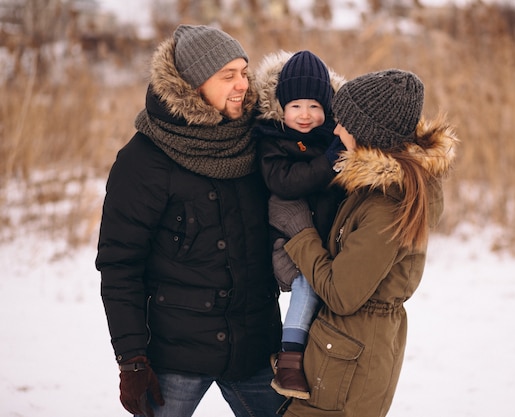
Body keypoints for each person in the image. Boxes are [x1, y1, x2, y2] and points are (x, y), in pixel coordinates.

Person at [95, 25, 285, 417]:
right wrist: (131, 359)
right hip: (174, 353)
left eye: (244, 72)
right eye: (227, 76)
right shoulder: (145, 159)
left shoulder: (259, 141)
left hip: (255, 345)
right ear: (192, 84)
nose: (242, 86)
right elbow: (120, 265)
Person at [268, 69, 459, 417]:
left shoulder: (389, 203)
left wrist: (298, 231)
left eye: (345, 124)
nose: (337, 130)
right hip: (342, 347)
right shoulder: (376, 186)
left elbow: (342, 293)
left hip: (348, 358)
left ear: (369, 135)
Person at [252, 50, 346, 400]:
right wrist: (331, 161)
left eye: (314, 106)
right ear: (281, 108)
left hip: (318, 240)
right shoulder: (272, 140)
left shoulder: (330, 141)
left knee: (328, 291)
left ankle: (316, 358)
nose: (305, 115)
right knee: (310, 281)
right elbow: (285, 183)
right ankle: (289, 359)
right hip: (286, 242)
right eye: (295, 106)